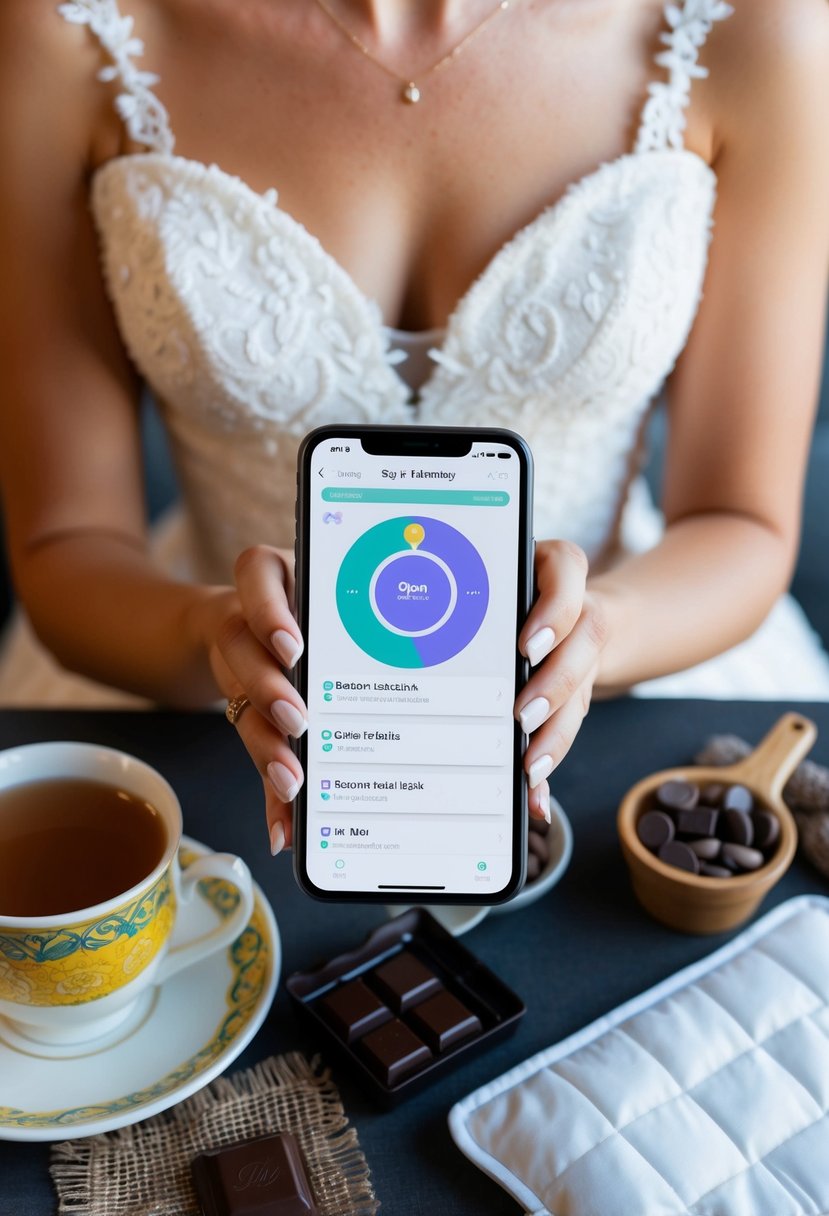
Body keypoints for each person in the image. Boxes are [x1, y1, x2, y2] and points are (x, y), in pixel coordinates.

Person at [0, 0, 828, 857]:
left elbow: (740, 520)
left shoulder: (755, 27)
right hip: (198, 709)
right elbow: (68, 540)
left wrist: (599, 635)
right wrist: (210, 638)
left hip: (634, 679)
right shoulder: (67, 32)